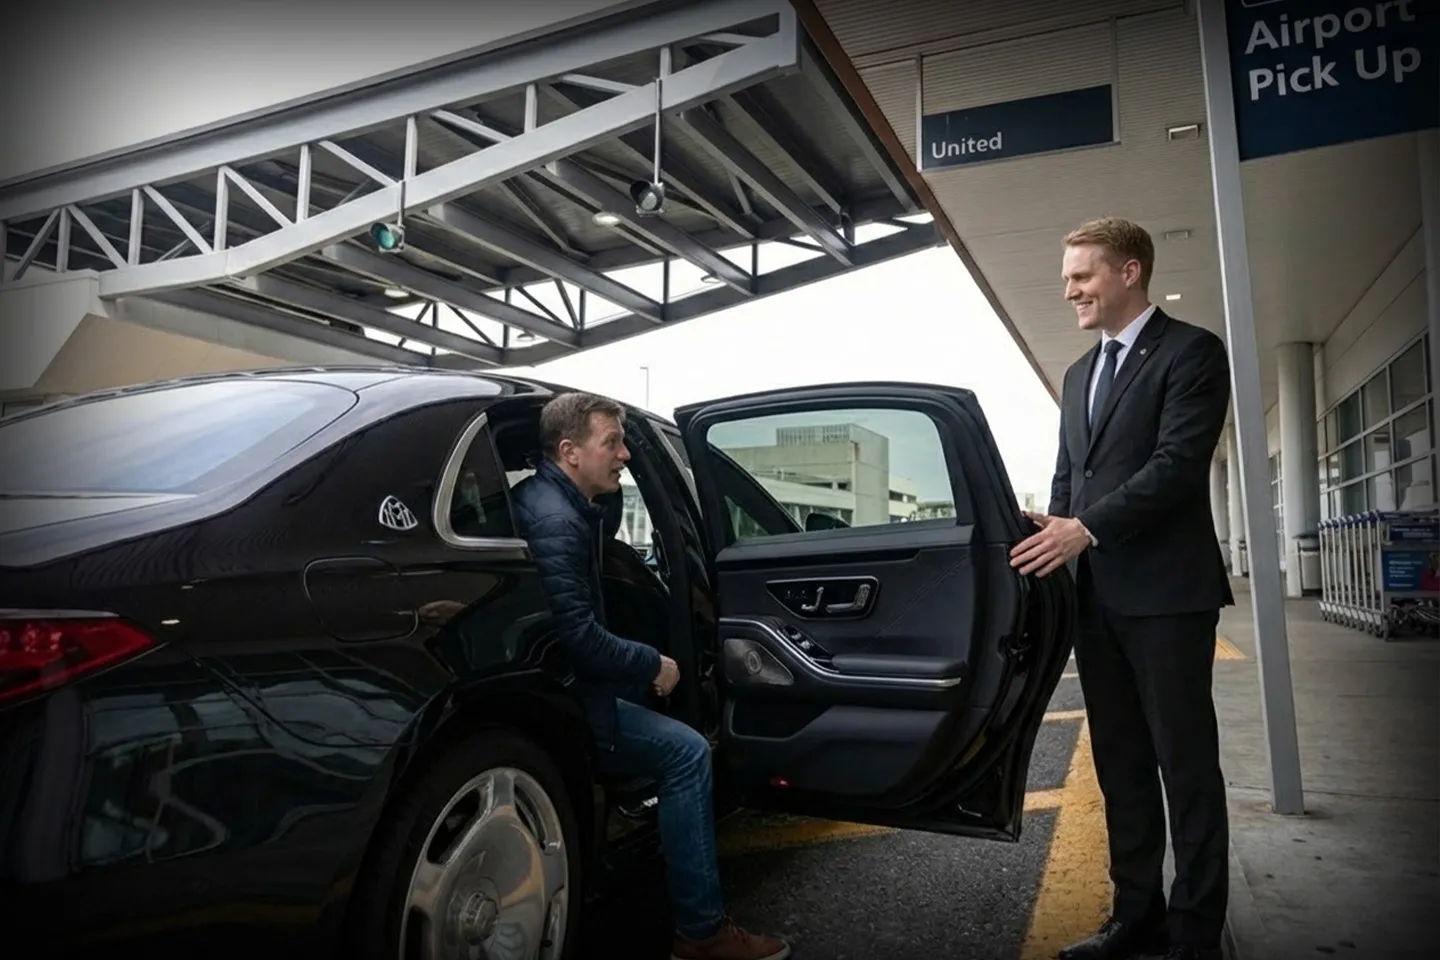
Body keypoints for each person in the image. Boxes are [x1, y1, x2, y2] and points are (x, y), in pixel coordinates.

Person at [1009, 217, 1234, 960]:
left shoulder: (1192, 352)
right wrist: (1051, 529)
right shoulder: (1078, 374)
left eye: (1082, 274)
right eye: (1069, 275)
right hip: (1097, 603)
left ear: (1129, 272)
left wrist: (1085, 528)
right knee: (1121, 767)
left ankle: (1196, 934)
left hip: (1169, 598)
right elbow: (1070, 477)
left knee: (1185, 765)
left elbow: (1174, 467)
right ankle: (1134, 916)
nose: (1068, 288)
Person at [510, 391, 790, 960]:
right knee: (687, 752)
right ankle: (702, 933)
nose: (625, 456)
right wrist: (653, 664)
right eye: (611, 443)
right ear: (570, 451)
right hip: (577, 705)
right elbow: (581, 640)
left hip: (560, 693)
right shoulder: (560, 525)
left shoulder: (548, 501)